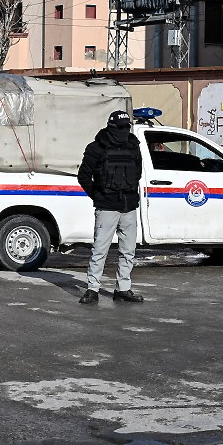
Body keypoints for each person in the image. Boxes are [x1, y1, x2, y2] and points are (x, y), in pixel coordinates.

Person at [77, 110, 144, 304]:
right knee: (100, 251)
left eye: (126, 127)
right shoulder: (96, 147)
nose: (124, 131)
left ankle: (123, 289)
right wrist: (98, 196)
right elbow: (83, 176)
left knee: (128, 251)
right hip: (106, 207)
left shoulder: (133, 145)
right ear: (111, 127)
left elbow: (137, 173)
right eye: (121, 127)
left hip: (129, 206)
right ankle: (92, 289)